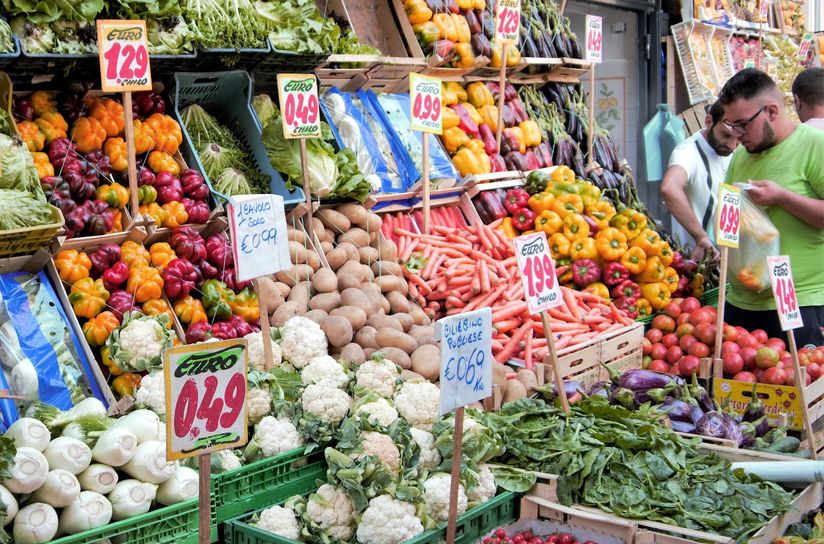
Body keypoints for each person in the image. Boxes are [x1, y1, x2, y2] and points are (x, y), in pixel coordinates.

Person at [717, 68, 824, 347]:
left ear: (772, 112)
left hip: (798, 302)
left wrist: (782, 198)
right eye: (731, 126)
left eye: (742, 125)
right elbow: (731, 221)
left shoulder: (815, 146)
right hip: (740, 302)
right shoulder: (740, 157)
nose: (737, 135)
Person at [660, 101, 739, 260]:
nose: (732, 145)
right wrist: (701, 237)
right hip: (696, 260)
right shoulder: (687, 152)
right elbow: (669, 188)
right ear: (709, 121)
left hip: (727, 261)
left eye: (738, 139)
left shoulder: (737, 152)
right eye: (725, 135)